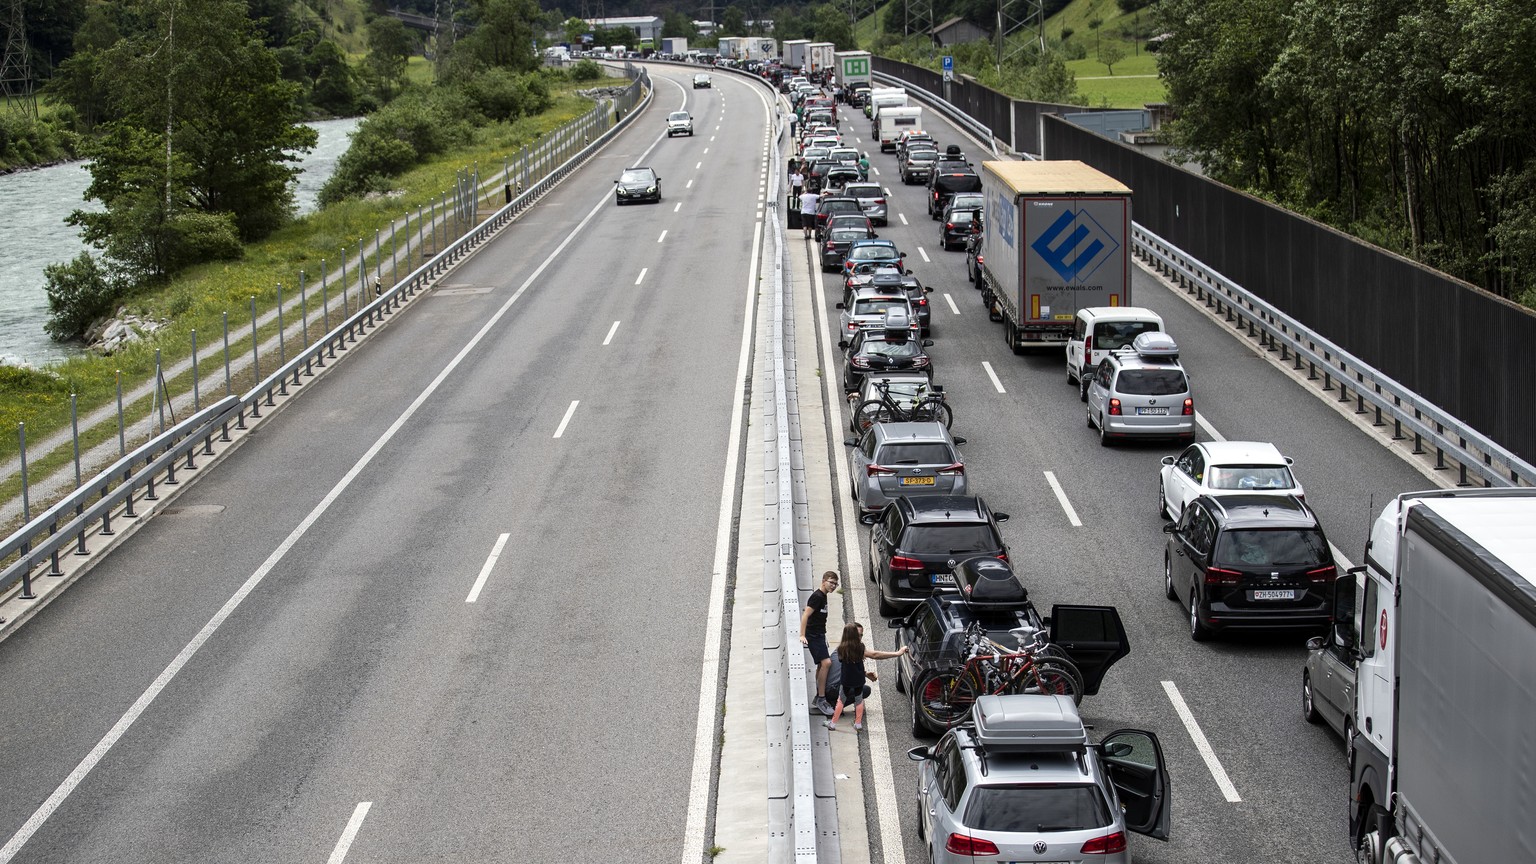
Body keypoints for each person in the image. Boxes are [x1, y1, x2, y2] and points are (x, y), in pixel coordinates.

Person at [824, 622, 908, 732]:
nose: (861, 637)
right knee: (859, 700)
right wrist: (898, 653)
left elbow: (843, 662)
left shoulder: (842, 649)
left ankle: (833, 723)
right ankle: (858, 724)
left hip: (846, 680)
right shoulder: (861, 648)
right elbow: (874, 655)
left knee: (841, 700)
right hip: (859, 680)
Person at [799, 571, 839, 715]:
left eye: (835, 584)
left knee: (821, 665)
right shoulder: (817, 597)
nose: (833, 586)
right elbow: (806, 614)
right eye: (831, 582)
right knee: (826, 663)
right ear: (823, 581)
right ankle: (822, 698)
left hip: (820, 635)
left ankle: (818, 695)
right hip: (813, 636)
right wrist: (802, 635)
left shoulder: (824, 596)